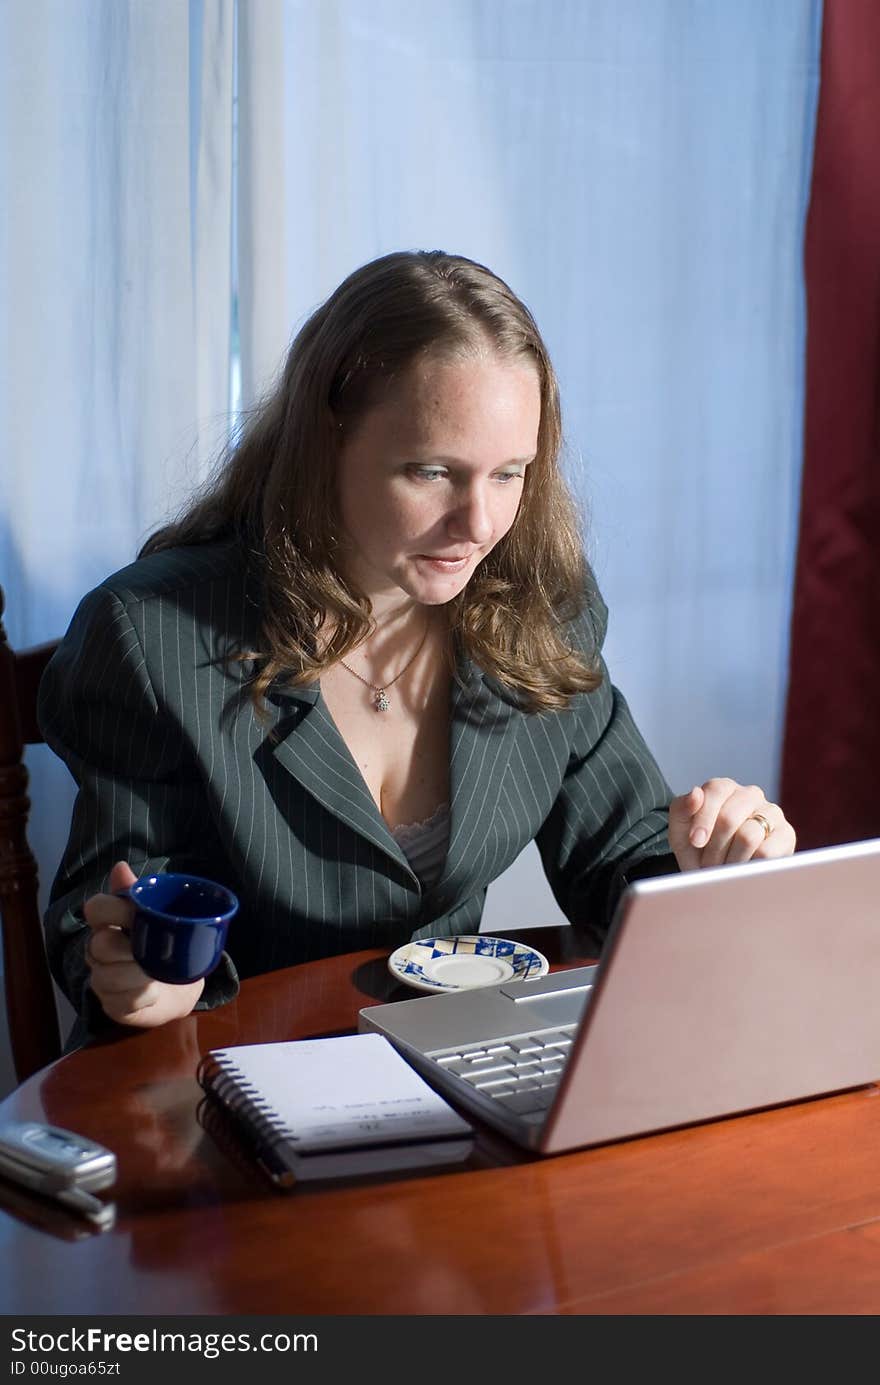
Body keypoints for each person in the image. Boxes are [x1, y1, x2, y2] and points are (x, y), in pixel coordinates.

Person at [38, 249, 796, 1042]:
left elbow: (626, 860)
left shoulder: (539, 614)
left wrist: (716, 866)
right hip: (221, 1078)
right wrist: (144, 975)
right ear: (325, 440)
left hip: (453, 1074)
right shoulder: (153, 634)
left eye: (510, 474)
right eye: (433, 472)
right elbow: (114, 916)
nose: (478, 525)